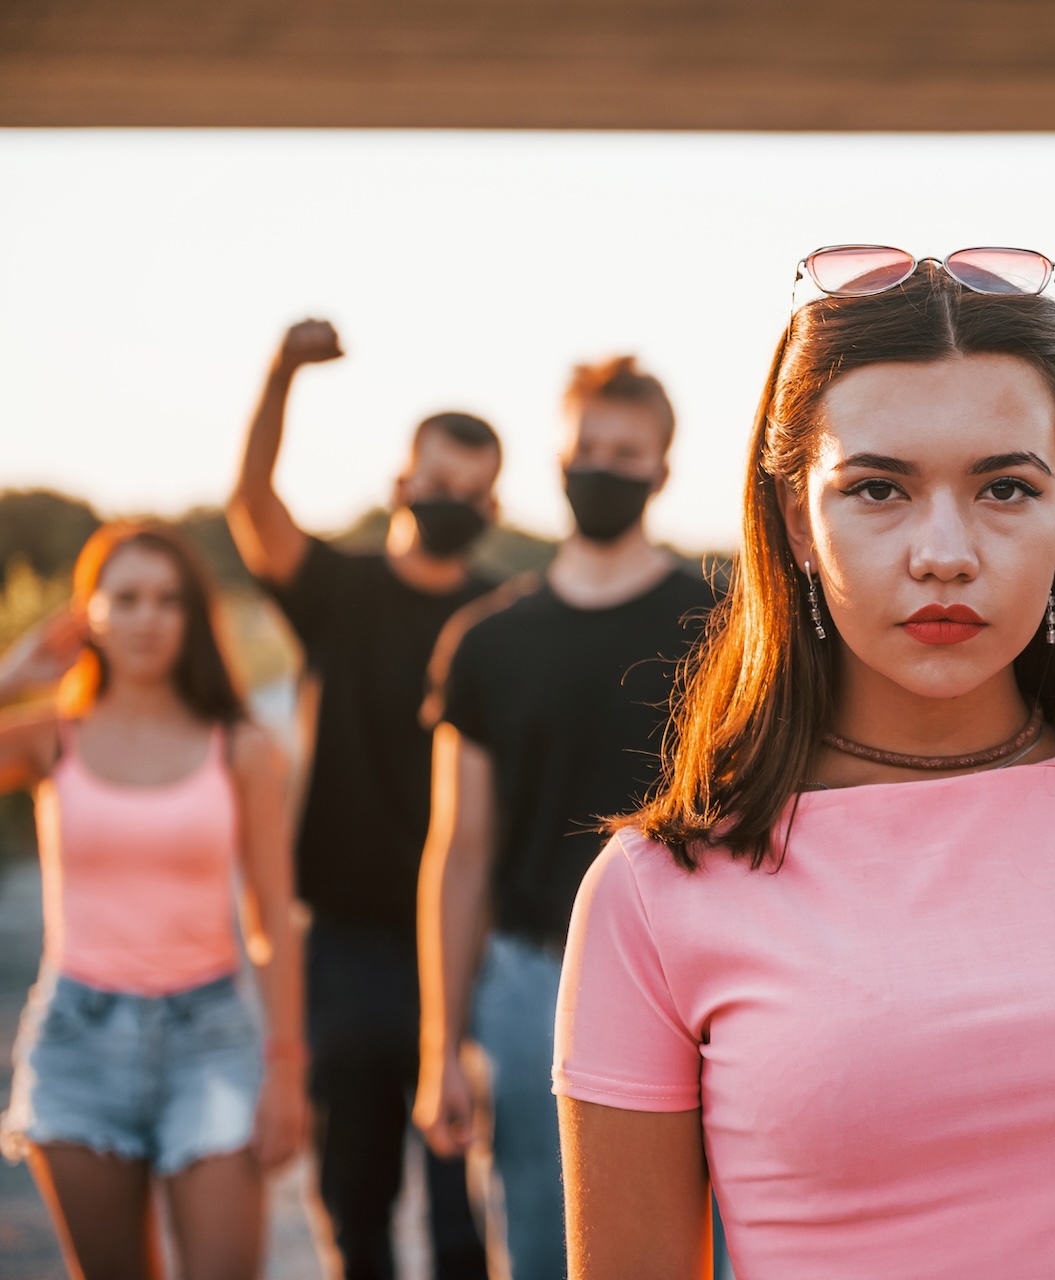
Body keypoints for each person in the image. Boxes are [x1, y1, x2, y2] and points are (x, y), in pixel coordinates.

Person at [551, 247, 1055, 1278]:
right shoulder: (654, 893)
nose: (945, 549)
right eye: (880, 488)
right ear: (800, 519)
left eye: (1005, 488)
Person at [413, 357, 716, 1280]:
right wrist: (442, 1045)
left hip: (698, 977)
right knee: (549, 1250)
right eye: (587, 447)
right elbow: (459, 852)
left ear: (662, 470)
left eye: (626, 453)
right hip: (533, 989)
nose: (602, 468)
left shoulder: (720, 624)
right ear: (556, 455)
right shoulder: (488, 640)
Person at [227, 319, 494, 1280]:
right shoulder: (336, 591)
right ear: (400, 483)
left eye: (472, 488)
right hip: (341, 942)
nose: (451, 499)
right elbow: (251, 504)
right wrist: (279, 376)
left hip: (468, 943)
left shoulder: (499, 621)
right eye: (437, 479)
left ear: (493, 502)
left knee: (468, 1215)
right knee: (357, 1207)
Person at [0, 522, 305, 1279]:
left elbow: (271, 915)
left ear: (193, 617)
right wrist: (15, 674)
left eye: (169, 600)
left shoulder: (239, 746)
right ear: (88, 613)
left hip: (212, 1038)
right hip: (77, 1039)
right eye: (126, 597)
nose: (147, 617)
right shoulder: (52, 738)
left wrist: (288, 1071)